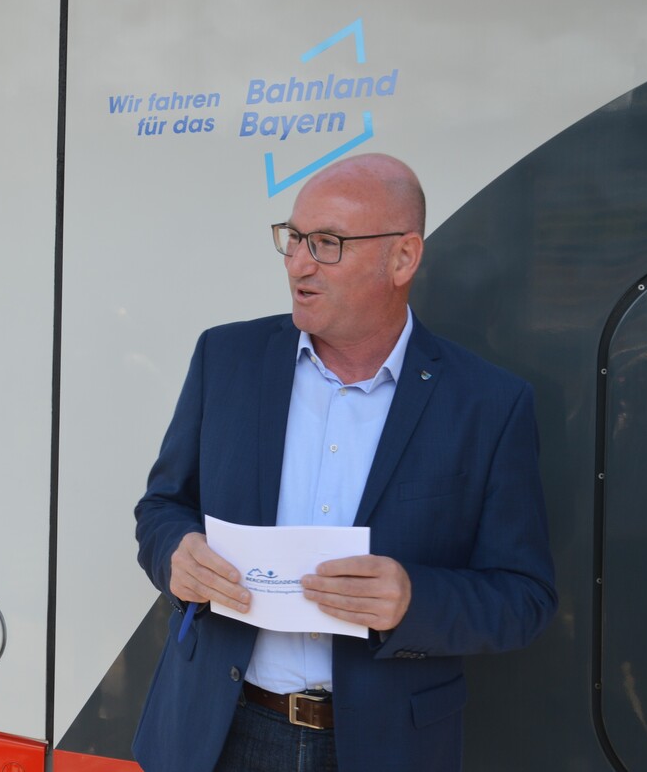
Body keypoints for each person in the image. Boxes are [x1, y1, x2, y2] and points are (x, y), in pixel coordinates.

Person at [132, 154, 557, 772]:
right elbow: (162, 507)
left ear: (403, 258)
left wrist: (414, 599)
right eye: (294, 238)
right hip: (217, 733)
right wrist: (176, 554)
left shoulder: (488, 403)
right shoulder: (227, 358)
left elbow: (525, 598)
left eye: (327, 243)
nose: (298, 264)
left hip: (384, 746)